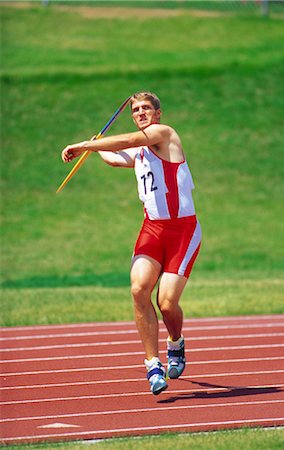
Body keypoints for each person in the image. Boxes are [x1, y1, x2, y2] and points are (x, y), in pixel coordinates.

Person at [61, 92, 202, 395]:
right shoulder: (140, 151)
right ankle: (153, 365)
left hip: (183, 231)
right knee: (139, 288)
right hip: (152, 229)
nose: (140, 113)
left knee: (166, 303)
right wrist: (96, 147)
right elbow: (115, 156)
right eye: (136, 110)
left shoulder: (165, 135)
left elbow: (124, 142)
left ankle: (175, 342)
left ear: (158, 113)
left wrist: (85, 145)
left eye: (146, 108)